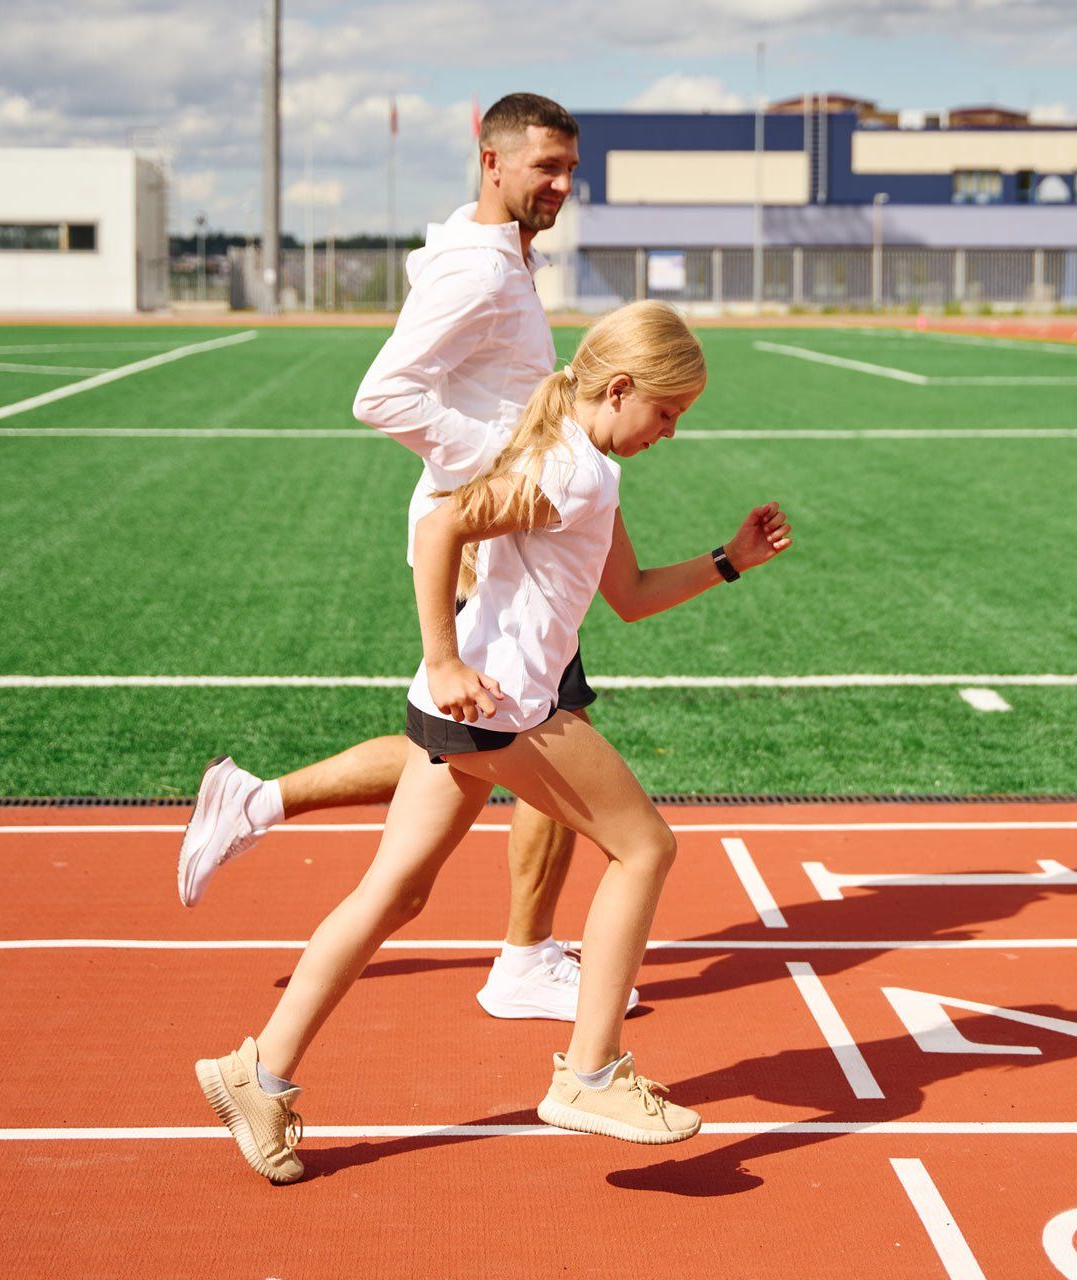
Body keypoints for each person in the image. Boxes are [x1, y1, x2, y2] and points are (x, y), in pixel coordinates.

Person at [195, 301, 794, 1181]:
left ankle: (260, 1074)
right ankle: (591, 1075)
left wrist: (728, 560)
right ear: (620, 389)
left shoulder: (587, 465)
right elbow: (441, 528)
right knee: (645, 850)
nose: (671, 431)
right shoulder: (572, 470)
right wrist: (442, 659)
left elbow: (623, 594)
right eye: (667, 412)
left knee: (393, 893)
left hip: (471, 711)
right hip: (502, 708)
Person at [179, 93, 615, 1023]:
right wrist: (503, 470)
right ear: (491, 161)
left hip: (506, 538)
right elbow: (381, 397)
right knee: (523, 734)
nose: (563, 185)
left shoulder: (499, 258)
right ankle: (523, 956)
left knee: (463, 749)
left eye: (571, 169)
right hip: (490, 544)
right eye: (547, 167)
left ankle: (256, 805)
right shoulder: (479, 274)